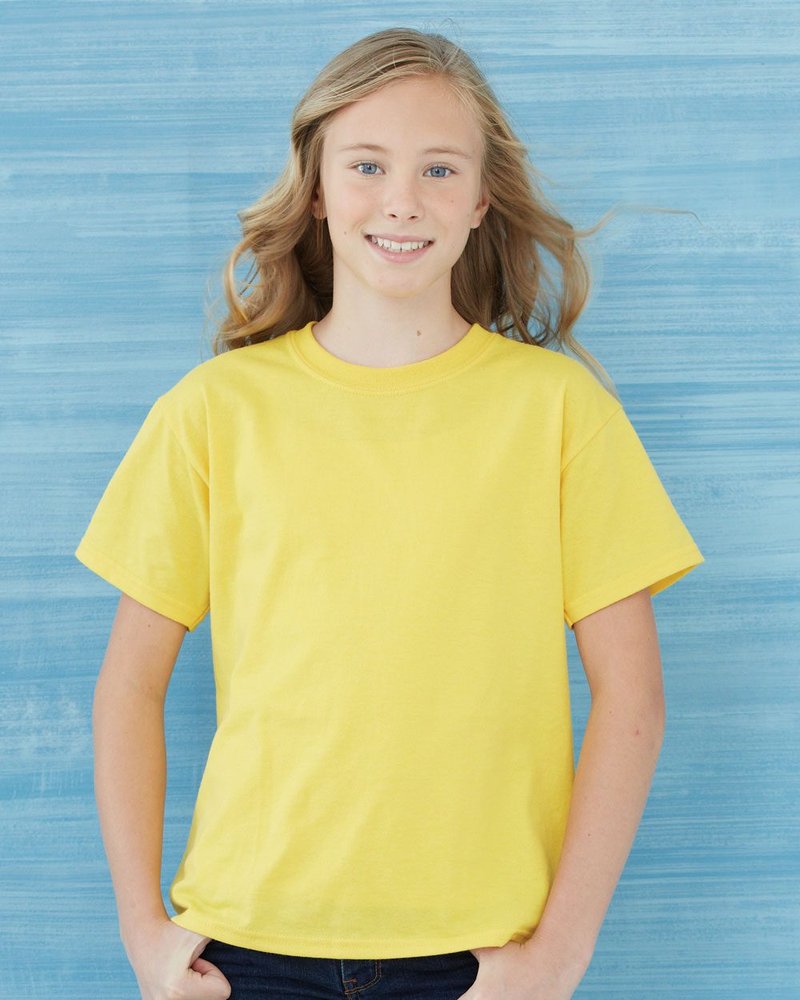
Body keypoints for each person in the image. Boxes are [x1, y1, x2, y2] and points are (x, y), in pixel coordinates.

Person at [75, 26, 705, 1000]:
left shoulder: (558, 411)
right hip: (239, 952)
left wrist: (559, 956)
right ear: (318, 190)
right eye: (367, 165)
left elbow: (634, 698)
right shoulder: (213, 412)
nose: (401, 200)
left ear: (481, 197)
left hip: (482, 958)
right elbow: (127, 686)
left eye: (438, 169)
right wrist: (140, 931)